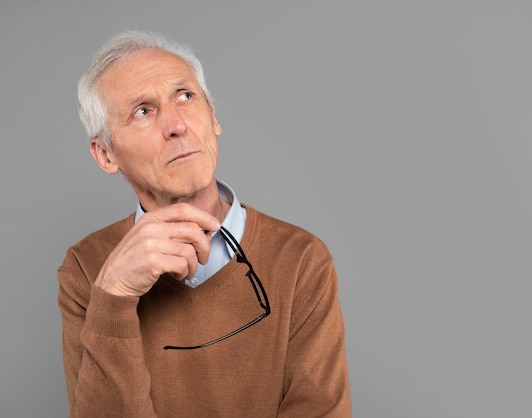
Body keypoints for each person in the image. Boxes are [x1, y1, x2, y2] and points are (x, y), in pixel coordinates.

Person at [57, 30, 351, 417]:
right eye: (143, 111)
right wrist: (114, 295)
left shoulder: (301, 258)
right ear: (106, 154)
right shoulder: (86, 270)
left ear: (213, 117)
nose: (176, 124)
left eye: (186, 97)